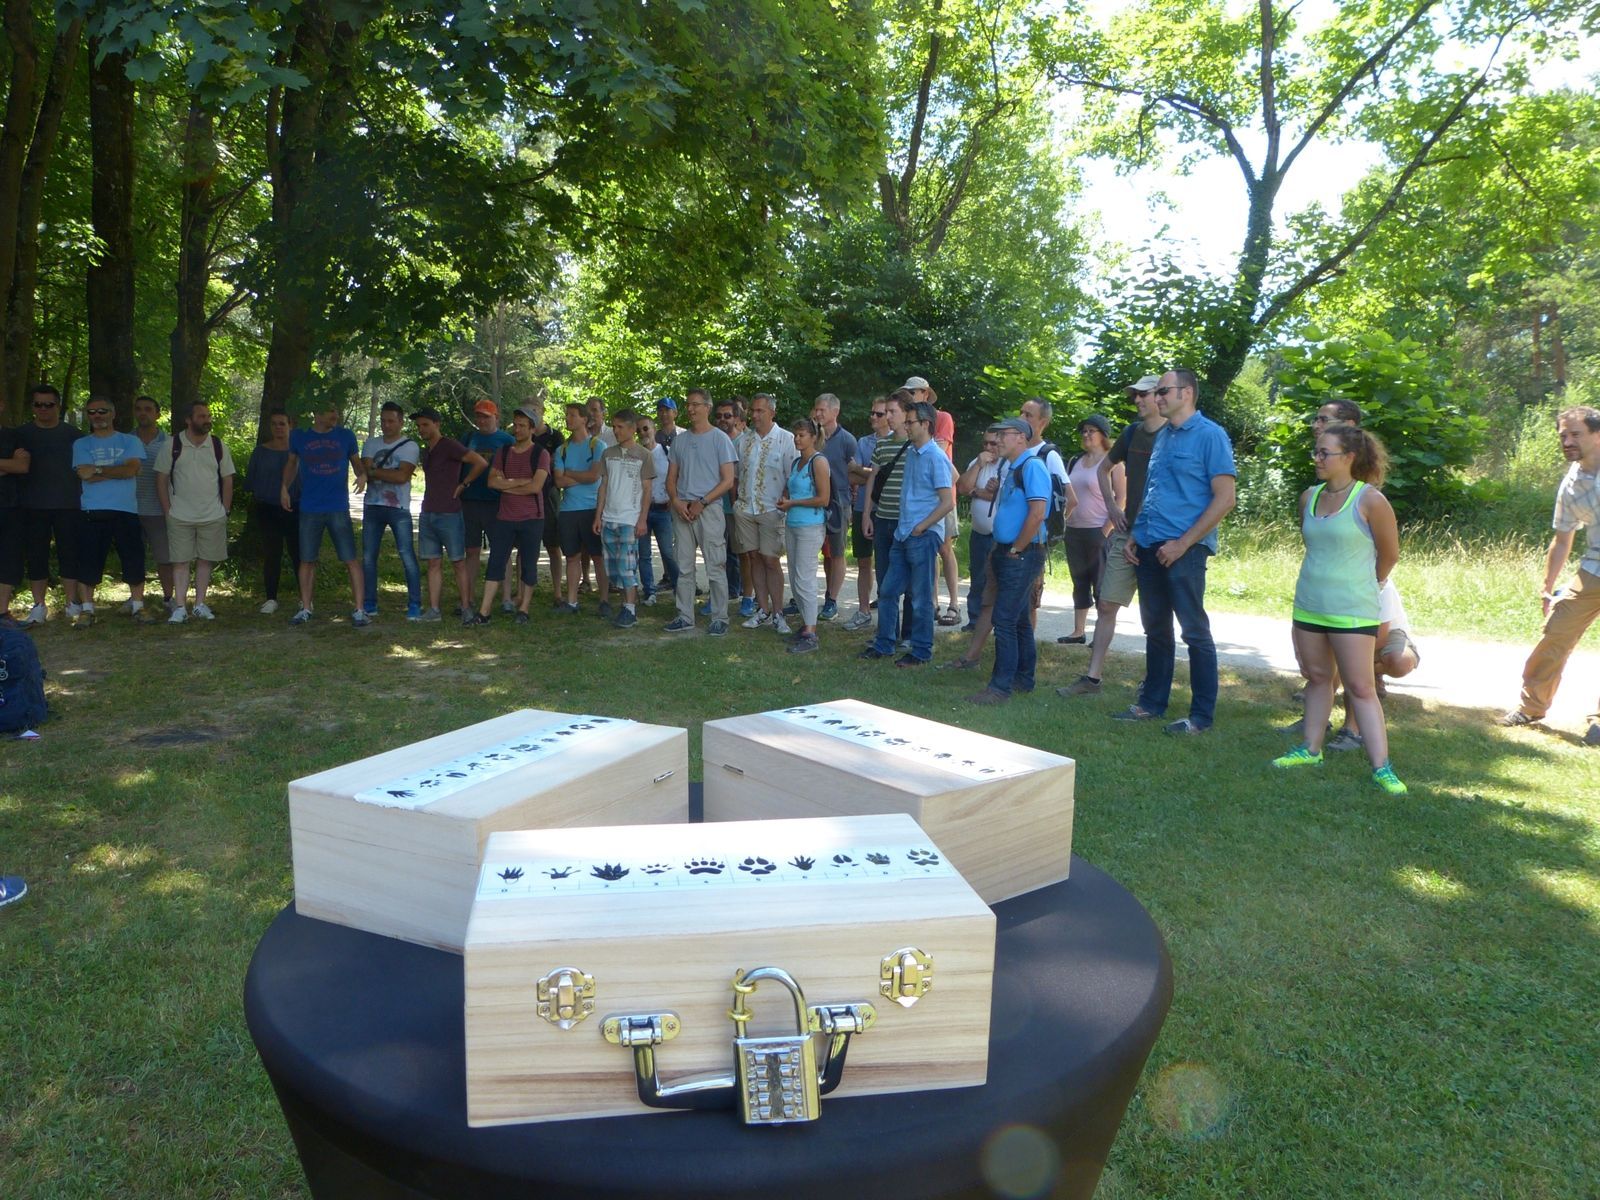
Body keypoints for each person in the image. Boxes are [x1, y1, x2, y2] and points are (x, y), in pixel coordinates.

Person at [1272, 422, 1408, 794]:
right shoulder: (1309, 497)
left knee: (1360, 687)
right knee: (1317, 678)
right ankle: (1310, 749)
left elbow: (1390, 554)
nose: (1317, 458)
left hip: (1353, 609)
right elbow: (1313, 545)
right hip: (1310, 605)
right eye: (1316, 451)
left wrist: (1368, 585)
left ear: (1348, 457)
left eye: (1324, 452)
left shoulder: (1370, 500)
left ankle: (1382, 767)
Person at [1114, 368, 1236, 734]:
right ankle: (1151, 704)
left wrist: (1183, 543)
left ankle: (1200, 717)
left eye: (1163, 390)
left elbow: (1225, 499)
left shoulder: (1210, 436)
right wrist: (1137, 533)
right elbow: (1154, 492)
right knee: (1156, 630)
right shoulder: (1163, 436)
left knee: (1194, 632)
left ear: (1186, 393)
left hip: (1186, 550)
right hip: (1150, 544)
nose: (1156, 397)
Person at [1497, 405, 1600, 746]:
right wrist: (1547, 587)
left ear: (1596, 433)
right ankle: (1531, 707)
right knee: (1555, 633)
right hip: (1593, 570)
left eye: (1575, 435)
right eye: (1563, 436)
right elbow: (1562, 538)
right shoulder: (1571, 483)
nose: (1567, 441)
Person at [1059, 376, 1164, 698]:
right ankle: (1092, 678)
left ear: (1162, 395)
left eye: (1142, 395)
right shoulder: (1132, 433)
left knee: (1156, 612)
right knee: (1105, 603)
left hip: (1159, 534)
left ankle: (1155, 680)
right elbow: (1103, 470)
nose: (1137, 401)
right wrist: (1114, 510)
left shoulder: (1175, 435)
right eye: (1134, 395)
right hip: (1126, 532)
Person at [859, 400, 953, 666]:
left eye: (911, 422)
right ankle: (885, 644)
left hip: (922, 535)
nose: (907, 426)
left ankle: (921, 651)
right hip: (903, 532)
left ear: (925, 424)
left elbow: (948, 502)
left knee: (921, 597)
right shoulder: (912, 451)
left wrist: (922, 526)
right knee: (888, 591)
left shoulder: (936, 456)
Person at [969, 418, 1050, 704]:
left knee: (1004, 619)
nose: (998, 439)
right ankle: (1023, 679)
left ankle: (1000, 687)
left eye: (1004, 435)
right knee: (1017, 620)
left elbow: (1038, 513)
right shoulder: (1011, 467)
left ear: (1021, 437)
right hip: (1008, 551)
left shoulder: (1033, 467)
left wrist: (1016, 548)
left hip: (1022, 554)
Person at [283, 402, 369, 627]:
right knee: (307, 559)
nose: (335, 414)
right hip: (310, 507)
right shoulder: (299, 435)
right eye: (330, 411)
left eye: (336, 410)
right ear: (317, 413)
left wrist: (362, 476)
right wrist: (284, 488)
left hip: (338, 506)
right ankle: (305, 607)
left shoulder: (346, 436)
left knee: (350, 558)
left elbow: (357, 464)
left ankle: (360, 609)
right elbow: (291, 464)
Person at [468, 404, 551, 626]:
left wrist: (506, 485)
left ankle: (523, 608)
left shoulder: (540, 454)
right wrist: (519, 482)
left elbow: (536, 487)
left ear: (532, 429)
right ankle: (484, 612)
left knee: (529, 565)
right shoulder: (503, 452)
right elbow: (491, 481)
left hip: (532, 517)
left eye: (523, 426)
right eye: (516, 425)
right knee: (496, 562)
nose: (518, 430)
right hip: (505, 516)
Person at [71, 395, 150, 624]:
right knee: (88, 561)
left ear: (113, 414)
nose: (97, 416)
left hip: (126, 510)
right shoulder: (81, 444)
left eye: (102, 411)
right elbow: (82, 474)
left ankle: (137, 606)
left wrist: (96, 470)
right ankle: (87, 610)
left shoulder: (129, 441)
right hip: (92, 510)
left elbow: (131, 470)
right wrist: (115, 469)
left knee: (133, 558)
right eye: (92, 412)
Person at [664, 388, 737, 635]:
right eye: (688, 405)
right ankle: (685, 616)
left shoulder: (720, 439)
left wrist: (702, 502)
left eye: (695, 404)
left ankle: (720, 617)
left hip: (709, 510)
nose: (691, 409)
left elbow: (728, 480)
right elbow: (671, 477)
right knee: (684, 566)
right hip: (682, 509)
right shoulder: (680, 440)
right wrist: (676, 501)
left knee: (715, 565)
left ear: (707, 407)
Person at [157, 401, 235, 623]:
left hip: (212, 514)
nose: (207, 420)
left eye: (208, 416)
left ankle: (200, 604)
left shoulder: (219, 446)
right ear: (188, 420)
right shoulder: (172, 445)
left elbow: (227, 479)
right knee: (180, 561)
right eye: (201, 416)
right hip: (179, 515)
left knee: (205, 560)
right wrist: (167, 511)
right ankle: (180, 607)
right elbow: (161, 479)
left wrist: (225, 510)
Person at [16, 384, 83, 627]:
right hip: (32, 505)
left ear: (58, 405)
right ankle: (38, 606)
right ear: (32, 406)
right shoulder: (21, 434)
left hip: (69, 504)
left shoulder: (75, 436)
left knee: (70, 554)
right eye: (38, 404)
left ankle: (72, 603)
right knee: (36, 556)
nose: (43, 409)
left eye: (49, 404)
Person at [411, 406, 486, 623]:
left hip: (450, 512)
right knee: (433, 562)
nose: (422, 429)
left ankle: (466, 607)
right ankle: (434, 610)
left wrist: (464, 483)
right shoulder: (428, 450)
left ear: (437, 424)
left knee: (458, 562)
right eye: (419, 426)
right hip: (428, 511)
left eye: (426, 424)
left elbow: (480, 462)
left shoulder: (449, 445)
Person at [733, 393, 797, 632]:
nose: (755, 416)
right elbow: (736, 475)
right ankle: (763, 609)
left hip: (771, 508)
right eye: (753, 411)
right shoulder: (743, 441)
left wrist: (787, 501)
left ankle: (778, 613)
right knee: (753, 558)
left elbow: (793, 475)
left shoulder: (786, 439)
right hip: (745, 508)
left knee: (771, 560)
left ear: (772, 412)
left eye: (760, 411)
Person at [1057, 414, 1123, 644]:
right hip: (1074, 529)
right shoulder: (1076, 461)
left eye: (1091, 431)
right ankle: (1078, 631)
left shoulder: (1114, 463)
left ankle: (1100, 634)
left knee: (1101, 584)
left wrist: (1106, 529)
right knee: (1079, 580)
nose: (1086, 435)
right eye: (1084, 431)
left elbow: (1122, 499)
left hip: (1100, 530)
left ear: (1103, 435)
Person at [904, 375, 963, 626]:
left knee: (944, 547)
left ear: (925, 394)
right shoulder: (910, 423)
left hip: (942, 491)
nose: (909, 398)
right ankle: (934, 602)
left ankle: (954, 603)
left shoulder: (943, 418)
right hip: (921, 493)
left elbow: (937, 448)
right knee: (930, 552)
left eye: (912, 393)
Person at [359, 401, 423, 620]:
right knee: (368, 557)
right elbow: (365, 469)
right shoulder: (370, 443)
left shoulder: (410, 446)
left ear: (401, 422)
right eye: (383, 421)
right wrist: (384, 472)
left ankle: (415, 603)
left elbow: (401, 477)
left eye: (391, 421)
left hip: (399, 507)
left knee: (407, 555)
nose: (386, 425)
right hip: (372, 506)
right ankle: (369, 603)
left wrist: (374, 472)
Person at [861, 391, 915, 643]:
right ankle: (887, 633)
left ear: (907, 414)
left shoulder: (920, 445)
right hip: (883, 519)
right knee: (884, 580)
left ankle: (910, 634)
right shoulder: (881, 444)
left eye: (893, 412)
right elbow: (873, 477)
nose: (889, 417)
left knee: (912, 584)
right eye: (887, 412)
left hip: (909, 523)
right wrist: (867, 514)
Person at [592, 409, 654, 628]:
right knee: (613, 567)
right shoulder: (608, 454)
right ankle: (626, 603)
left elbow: (647, 490)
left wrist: (642, 519)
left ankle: (630, 609)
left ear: (632, 428)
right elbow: (604, 486)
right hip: (609, 517)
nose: (615, 431)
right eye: (614, 426)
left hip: (630, 518)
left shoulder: (644, 455)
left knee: (627, 566)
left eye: (620, 427)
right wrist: (598, 515)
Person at [778, 417, 831, 653]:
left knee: (805, 577)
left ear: (812, 437)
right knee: (795, 576)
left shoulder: (818, 462)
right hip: (793, 524)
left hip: (811, 526)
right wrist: (786, 501)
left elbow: (823, 498)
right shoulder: (797, 462)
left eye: (802, 435)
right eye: (795, 435)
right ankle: (805, 623)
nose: (797, 439)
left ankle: (811, 631)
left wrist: (793, 503)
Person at [243, 409, 299, 615]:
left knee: (298, 554)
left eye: (282, 423)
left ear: (290, 425)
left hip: (296, 508)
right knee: (272, 554)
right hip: (267, 508)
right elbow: (250, 482)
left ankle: (305, 598)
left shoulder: (299, 453)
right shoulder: (260, 452)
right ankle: (271, 598)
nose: (278, 428)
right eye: (274, 424)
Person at [553, 402, 607, 615]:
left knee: (598, 556)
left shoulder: (597, 446)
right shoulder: (561, 449)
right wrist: (580, 476)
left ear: (584, 419)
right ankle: (572, 601)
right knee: (572, 556)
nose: (568, 419)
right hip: (568, 510)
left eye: (573, 415)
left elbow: (594, 476)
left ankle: (604, 600)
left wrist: (570, 473)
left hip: (592, 508)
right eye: (567, 415)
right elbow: (558, 482)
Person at [462, 399, 514, 611]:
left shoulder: (506, 440)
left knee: (502, 550)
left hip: (497, 502)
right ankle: (469, 597)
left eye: (486, 416)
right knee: (471, 550)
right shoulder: (468, 439)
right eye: (479, 416)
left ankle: (507, 598)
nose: (482, 420)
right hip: (470, 501)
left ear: (496, 417)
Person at [808, 393, 855, 622]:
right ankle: (808, 597)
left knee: (836, 553)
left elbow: (854, 474)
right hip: (812, 504)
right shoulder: (811, 437)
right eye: (816, 410)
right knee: (816, 554)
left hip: (838, 505)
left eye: (822, 410)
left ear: (835, 412)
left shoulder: (847, 440)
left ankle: (832, 600)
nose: (817, 414)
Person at [843, 398, 888, 630]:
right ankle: (862, 610)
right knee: (863, 561)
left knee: (885, 564)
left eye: (879, 414)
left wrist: (863, 472)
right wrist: (873, 475)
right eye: (872, 413)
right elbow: (851, 477)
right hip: (862, 508)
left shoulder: (897, 442)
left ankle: (887, 615)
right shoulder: (864, 441)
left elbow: (883, 477)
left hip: (886, 511)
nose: (873, 417)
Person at [131, 395, 176, 612]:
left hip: (159, 509)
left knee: (165, 557)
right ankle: (134, 599)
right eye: (139, 409)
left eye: (148, 409)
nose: (143, 413)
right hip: (129, 508)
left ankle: (168, 598)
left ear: (157, 414)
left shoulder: (170, 442)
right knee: (133, 556)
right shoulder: (125, 441)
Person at [955, 427, 1003, 630]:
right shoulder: (977, 463)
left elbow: (1001, 497)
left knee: (999, 580)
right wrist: (978, 466)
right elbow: (962, 488)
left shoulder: (1008, 465)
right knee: (977, 577)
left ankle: (998, 623)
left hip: (999, 534)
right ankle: (974, 620)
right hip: (978, 532)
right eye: (985, 443)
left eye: (993, 443)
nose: (989, 447)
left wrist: (977, 492)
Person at [636, 414, 677, 604]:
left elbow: (678, 476)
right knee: (643, 554)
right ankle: (649, 591)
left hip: (663, 509)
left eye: (645, 428)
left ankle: (679, 588)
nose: (642, 433)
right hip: (641, 511)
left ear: (653, 429)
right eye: (638, 430)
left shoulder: (667, 452)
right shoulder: (635, 455)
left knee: (668, 552)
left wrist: (674, 497)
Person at [714, 397, 749, 614]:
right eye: (718, 416)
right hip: (715, 506)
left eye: (727, 416)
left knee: (744, 554)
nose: (723, 420)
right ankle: (719, 595)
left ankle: (747, 596)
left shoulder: (745, 442)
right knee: (716, 554)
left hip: (739, 508)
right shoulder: (713, 439)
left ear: (736, 418)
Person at [0, 418, 26, 617]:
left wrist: (13, 465)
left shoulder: (14, 435)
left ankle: (2, 611)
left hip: (10, 505)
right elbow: (13, 465)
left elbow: (22, 466)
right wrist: (8, 464)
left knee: (9, 558)